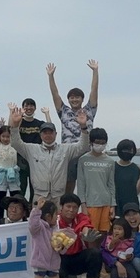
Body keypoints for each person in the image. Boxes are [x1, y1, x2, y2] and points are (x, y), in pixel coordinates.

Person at [7, 103, 90, 204]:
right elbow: (15, 143)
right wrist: (15, 126)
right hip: (39, 197)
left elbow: (83, 146)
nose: (48, 135)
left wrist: (83, 127)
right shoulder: (31, 149)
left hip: (59, 197)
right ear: (40, 135)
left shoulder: (66, 149)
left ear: (55, 134)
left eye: (50, 132)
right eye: (45, 132)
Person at [47, 60, 99, 195]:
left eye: (77, 97)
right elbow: (55, 94)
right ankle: (66, 205)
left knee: (88, 185)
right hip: (68, 153)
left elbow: (94, 90)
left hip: (86, 152)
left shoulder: (89, 110)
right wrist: (51, 76)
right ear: (68, 99)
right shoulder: (64, 111)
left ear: (82, 99)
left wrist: (95, 71)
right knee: (68, 185)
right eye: (71, 98)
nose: (74, 100)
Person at [76, 127, 115, 239]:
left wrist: (112, 205)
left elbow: (111, 184)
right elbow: (81, 184)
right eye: (97, 142)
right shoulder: (83, 160)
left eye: (103, 143)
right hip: (90, 203)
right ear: (91, 142)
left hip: (106, 203)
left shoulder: (110, 161)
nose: (100, 145)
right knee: (90, 235)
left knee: (103, 235)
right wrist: (83, 205)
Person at [56, 193, 104, 278]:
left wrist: (86, 235)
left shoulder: (81, 217)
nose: (71, 210)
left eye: (75, 207)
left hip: (77, 258)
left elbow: (85, 225)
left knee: (95, 253)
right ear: (61, 207)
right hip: (60, 259)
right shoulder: (55, 220)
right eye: (68, 206)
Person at [27, 199, 62, 278]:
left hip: (53, 263)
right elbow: (32, 224)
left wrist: (62, 247)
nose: (57, 217)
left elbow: (60, 247)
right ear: (48, 216)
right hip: (40, 262)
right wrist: (37, 209)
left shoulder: (56, 228)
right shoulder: (39, 228)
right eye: (55, 215)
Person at [15, 98, 44, 200]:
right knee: (21, 188)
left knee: (35, 188)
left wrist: (47, 114)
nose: (29, 108)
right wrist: (19, 118)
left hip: (36, 159)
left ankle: (33, 208)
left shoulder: (39, 123)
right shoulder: (20, 122)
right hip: (21, 159)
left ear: (35, 108)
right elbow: (14, 131)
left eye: (31, 105)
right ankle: (19, 207)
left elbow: (50, 129)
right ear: (23, 108)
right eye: (26, 105)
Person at [0, 122, 22, 217]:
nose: (5, 139)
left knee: (15, 196)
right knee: (0, 196)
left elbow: (15, 129)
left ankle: (15, 216)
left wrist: (14, 117)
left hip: (13, 173)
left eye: (8, 136)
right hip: (1, 175)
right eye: (3, 136)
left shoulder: (14, 145)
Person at [113, 139, 140, 212]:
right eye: (125, 150)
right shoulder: (112, 167)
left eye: (130, 151)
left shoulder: (136, 168)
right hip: (115, 205)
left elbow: (137, 191)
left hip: (132, 206)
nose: (127, 153)